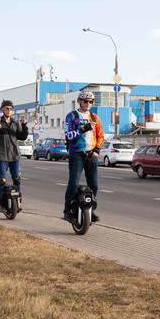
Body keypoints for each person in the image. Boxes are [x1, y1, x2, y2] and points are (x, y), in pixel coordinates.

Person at [62, 91, 105, 222]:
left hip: (92, 154)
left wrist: (97, 149)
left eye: (90, 102)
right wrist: (83, 129)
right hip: (77, 153)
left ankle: (92, 210)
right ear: (79, 101)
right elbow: (68, 136)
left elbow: (101, 136)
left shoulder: (94, 117)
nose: (88, 104)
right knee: (73, 183)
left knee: (94, 185)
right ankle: (67, 211)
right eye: (85, 101)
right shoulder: (72, 116)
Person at [0, 99, 29, 214]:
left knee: (17, 180)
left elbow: (22, 137)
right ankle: (0, 205)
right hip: (1, 156)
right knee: (2, 180)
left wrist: (24, 126)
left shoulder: (15, 124)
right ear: (2, 109)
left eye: (11, 109)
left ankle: (19, 203)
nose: (9, 110)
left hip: (14, 156)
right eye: (7, 108)